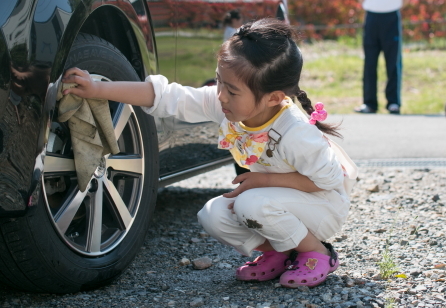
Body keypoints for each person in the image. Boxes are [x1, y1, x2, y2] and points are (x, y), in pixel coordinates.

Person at [61, 18, 357, 289]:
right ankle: (283, 251)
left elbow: (328, 181)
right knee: (213, 215)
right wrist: (97, 89)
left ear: (274, 98)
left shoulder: (296, 133)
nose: (220, 96)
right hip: (279, 200)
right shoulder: (227, 105)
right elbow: (165, 97)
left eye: (232, 91)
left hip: (323, 207)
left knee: (251, 205)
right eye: (219, 82)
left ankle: (317, 252)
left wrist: (263, 180)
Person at [353, 0, 413, 115]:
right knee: (370, 62)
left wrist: (389, 7)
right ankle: (369, 103)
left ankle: (393, 103)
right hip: (371, 19)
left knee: (393, 63)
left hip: (391, 20)